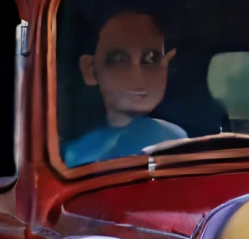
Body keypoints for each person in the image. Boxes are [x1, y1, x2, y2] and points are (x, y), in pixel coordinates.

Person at [62, 10, 187, 166]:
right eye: (119, 61)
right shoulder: (74, 153)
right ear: (90, 70)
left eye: (151, 59)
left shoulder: (174, 137)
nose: (138, 78)